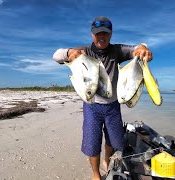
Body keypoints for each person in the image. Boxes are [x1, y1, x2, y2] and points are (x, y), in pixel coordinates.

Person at [53, 16, 152, 180]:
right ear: (92, 34)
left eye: (105, 33)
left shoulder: (117, 51)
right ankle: (95, 174)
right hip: (92, 105)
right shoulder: (85, 51)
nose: (102, 37)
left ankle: (106, 160)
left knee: (113, 141)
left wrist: (143, 48)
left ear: (111, 34)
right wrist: (69, 52)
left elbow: (137, 49)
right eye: (98, 33)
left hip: (113, 106)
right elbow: (56, 55)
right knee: (92, 144)